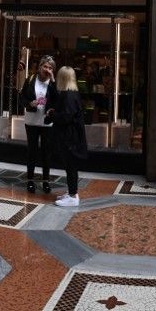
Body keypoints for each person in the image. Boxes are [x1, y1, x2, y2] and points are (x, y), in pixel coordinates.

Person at [46, 66, 87, 207]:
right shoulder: (70, 93)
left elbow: (65, 117)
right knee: (70, 166)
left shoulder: (69, 95)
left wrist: (52, 114)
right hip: (70, 137)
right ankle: (71, 192)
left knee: (71, 166)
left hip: (70, 139)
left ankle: (73, 196)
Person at [19, 55, 58, 193]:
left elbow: (58, 98)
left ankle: (46, 181)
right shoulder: (30, 80)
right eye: (45, 66)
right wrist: (29, 103)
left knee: (46, 153)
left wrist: (53, 80)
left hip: (46, 122)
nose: (47, 69)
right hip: (31, 121)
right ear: (40, 67)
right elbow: (22, 97)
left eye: (50, 67)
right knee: (32, 151)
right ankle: (30, 180)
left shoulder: (53, 83)